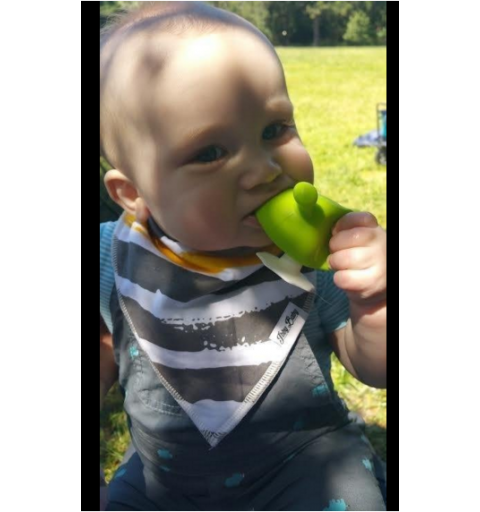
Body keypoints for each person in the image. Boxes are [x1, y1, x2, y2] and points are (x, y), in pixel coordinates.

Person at [100, 2, 387, 510]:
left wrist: (374, 302)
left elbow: (376, 368)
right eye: (210, 153)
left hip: (305, 466)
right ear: (134, 193)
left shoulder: (312, 254)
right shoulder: (112, 257)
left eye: (274, 129)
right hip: (160, 477)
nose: (264, 170)